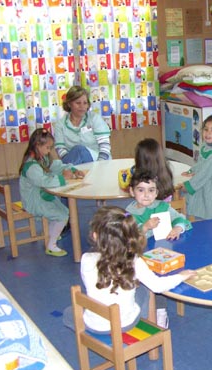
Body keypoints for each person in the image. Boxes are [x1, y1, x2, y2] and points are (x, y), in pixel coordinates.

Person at [63, 206, 195, 333]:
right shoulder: (134, 261)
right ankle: (152, 322)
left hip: (94, 324)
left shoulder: (86, 259)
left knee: (69, 312)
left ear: (95, 236)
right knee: (145, 289)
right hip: (125, 324)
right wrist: (181, 276)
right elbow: (157, 286)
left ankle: (89, 336)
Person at [19, 128, 85, 257]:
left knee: (65, 211)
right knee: (62, 215)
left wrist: (71, 169)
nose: (49, 151)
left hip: (42, 196)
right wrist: (63, 178)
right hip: (34, 202)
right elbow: (44, 182)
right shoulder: (31, 166)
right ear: (37, 145)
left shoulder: (42, 158)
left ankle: (50, 234)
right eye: (48, 148)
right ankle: (51, 246)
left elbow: (56, 166)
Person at [53, 86, 112, 165]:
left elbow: (105, 145)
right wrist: (71, 164)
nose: (82, 106)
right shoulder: (60, 125)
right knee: (62, 161)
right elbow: (60, 149)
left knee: (80, 150)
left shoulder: (95, 118)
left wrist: (99, 165)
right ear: (69, 104)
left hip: (98, 160)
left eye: (85, 103)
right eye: (78, 103)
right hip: (75, 164)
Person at [126, 170, 192, 240]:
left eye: (151, 190)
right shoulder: (128, 215)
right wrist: (145, 227)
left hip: (167, 244)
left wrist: (177, 228)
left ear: (156, 193)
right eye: (141, 190)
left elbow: (180, 219)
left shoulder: (162, 207)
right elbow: (128, 237)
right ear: (132, 191)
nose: (146, 195)